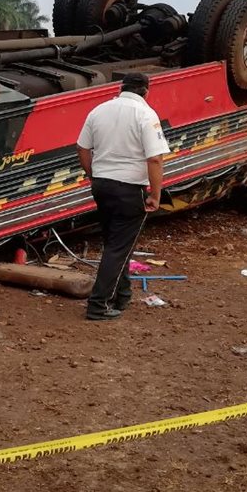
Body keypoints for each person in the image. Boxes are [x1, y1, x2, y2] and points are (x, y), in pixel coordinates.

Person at [76, 72, 170, 321]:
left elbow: (82, 147)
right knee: (118, 248)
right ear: (146, 92)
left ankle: (122, 295)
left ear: (122, 88)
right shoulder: (146, 114)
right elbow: (155, 158)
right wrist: (155, 194)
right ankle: (99, 305)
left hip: (102, 185)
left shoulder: (99, 110)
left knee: (116, 244)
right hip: (129, 189)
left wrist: (94, 175)